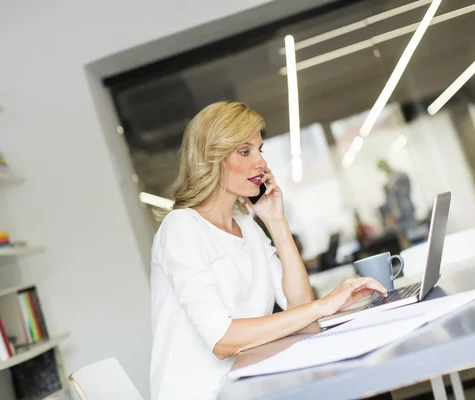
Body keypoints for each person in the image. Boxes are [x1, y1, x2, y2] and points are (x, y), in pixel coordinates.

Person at [150, 102, 388, 400]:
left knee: (368, 389)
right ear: (212, 157)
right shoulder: (181, 228)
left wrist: (277, 223)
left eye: (260, 150)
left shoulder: (246, 224)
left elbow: (300, 311)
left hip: (251, 382)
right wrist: (322, 305)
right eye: (245, 151)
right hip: (208, 394)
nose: (261, 162)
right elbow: (223, 340)